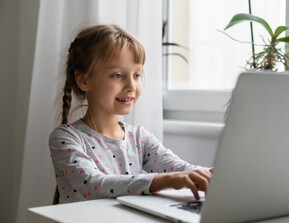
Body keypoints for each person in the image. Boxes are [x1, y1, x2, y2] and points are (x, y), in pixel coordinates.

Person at [48, 24, 212, 204]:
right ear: (84, 80)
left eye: (137, 75)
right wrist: (167, 180)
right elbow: (93, 184)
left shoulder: (139, 138)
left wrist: (220, 174)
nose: (131, 87)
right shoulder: (65, 138)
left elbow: (181, 169)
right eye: (118, 75)